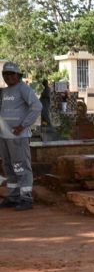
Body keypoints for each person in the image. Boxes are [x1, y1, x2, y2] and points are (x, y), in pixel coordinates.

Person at [0, 62, 42, 210]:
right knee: (9, 167)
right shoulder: (4, 92)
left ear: (18, 75)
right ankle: (13, 196)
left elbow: (37, 106)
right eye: (5, 74)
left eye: (12, 74)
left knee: (20, 167)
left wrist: (23, 125)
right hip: (4, 137)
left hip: (19, 137)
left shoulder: (23, 88)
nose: (8, 77)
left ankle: (26, 198)